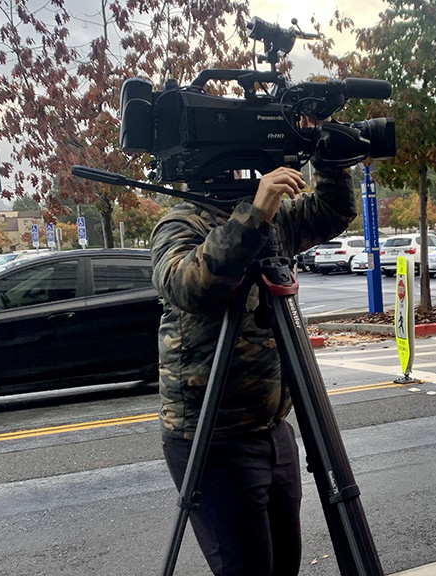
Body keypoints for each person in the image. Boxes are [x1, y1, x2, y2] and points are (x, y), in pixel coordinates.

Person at [151, 160, 356, 576]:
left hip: (273, 428)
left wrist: (331, 159)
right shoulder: (180, 223)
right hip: (213, 437)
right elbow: (187, 285)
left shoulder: (274, 220)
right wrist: (254, 216)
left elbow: (331, 211)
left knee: (284, 566)